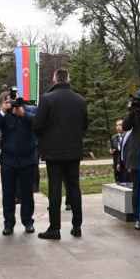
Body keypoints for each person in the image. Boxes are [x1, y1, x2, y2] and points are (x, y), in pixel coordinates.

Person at [33, 69, 88, 240]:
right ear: (68, 79)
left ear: (54, 80)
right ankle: (77, 226)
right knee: (74, 187)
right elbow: (85, 124)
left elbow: (37, 124)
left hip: (53, 150)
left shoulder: (47, 99)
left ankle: (54, 228)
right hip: (73, 149)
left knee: (54, 187)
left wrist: (45, 137)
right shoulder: (80, 100)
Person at [0, 91, 36, 236]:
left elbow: (38, 124)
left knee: (27, 193)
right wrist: (3, 112)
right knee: (8, 194)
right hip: (8, 160)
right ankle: (8, 223)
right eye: (9, 100)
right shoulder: (4, 114)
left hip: (28, 159)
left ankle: (28, 221)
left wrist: (22, 113)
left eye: (15, 99)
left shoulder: (30, 110)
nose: (13, 102)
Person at [121, 97, 140, 229]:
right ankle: (138, 217)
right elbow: (125, 126)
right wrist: (131, 110)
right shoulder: (135, 116)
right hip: (137, 156)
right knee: (137, 189)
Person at [109, 119, 127, 184]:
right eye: (117, 125)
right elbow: (111, 148)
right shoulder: (114, 137)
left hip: (125, 164)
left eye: (120, 125)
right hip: (116, 163)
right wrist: (111, 151)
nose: (118, 127)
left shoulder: (128, 136)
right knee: (118, 182)